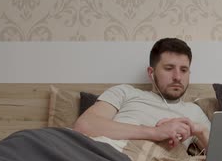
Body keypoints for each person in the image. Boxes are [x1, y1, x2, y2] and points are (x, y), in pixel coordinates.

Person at [73, 38, 210, 153]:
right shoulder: (125, 92)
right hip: (102, 154)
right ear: (151, 73)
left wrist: (201, 131)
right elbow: (84, 125)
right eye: (169, 69)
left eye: (184, 70)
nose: (178, 77)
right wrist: (156, 132)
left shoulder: (194, 112)